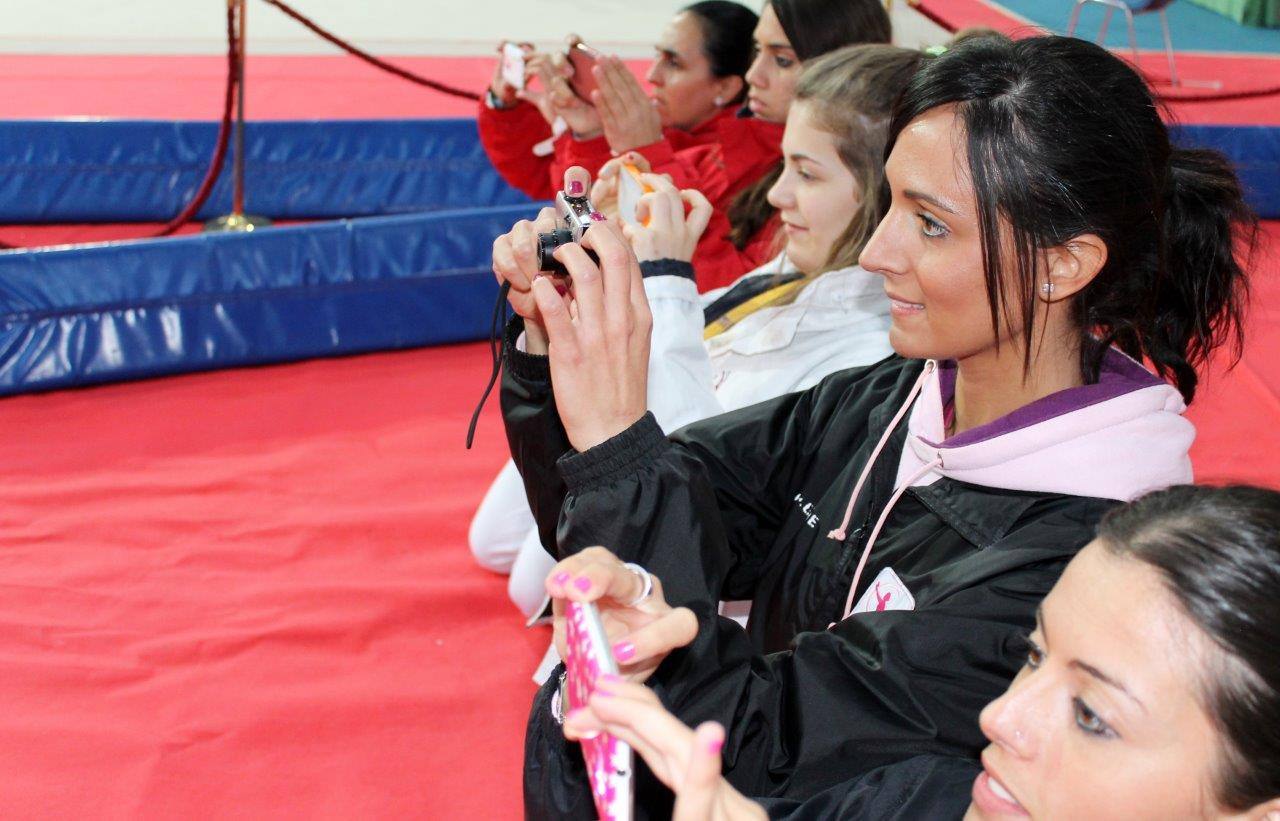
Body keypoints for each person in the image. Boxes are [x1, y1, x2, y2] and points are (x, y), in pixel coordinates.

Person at [493, 34, 1255, 817]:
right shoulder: (897, 395)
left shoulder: (1077, 561)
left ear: (1063, 264)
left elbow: (754, 751)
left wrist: (620, 442)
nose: (876, 253)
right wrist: (554, 347)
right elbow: (614, 524)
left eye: (930, 224)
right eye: (890, 201)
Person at [470, 45, 920, 633]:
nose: (779, 193)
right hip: (645, 466)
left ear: (886, 196)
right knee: (501, 544)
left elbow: (697, 486)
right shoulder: (799, 269)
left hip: (684, 548)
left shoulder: (872, 349)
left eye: (806, 174)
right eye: (785, 165)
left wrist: (661, 283)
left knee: (535, 573)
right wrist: (594, 284)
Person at [560, 485, 1280, 820]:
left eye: (1092, 715)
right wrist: (640, 677)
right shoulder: (916, 799)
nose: (1000, 716)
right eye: (1034, 654)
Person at [481, 0, 893, 290]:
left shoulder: (746, 155)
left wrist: (648, 156)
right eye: (756, 53)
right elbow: (568, 200)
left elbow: (726, 283)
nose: (755, 75)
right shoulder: (703, 143)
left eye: (781, 60)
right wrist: (591, 135)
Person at [478, 2, 759, 205]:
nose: (652, 75)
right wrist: (505, 107)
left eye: (673, 63)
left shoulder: (735, 164)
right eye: (658, 56)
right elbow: (543, 180)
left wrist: (602, 139)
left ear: (725, 87)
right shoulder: (662, 128)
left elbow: (612, 227)